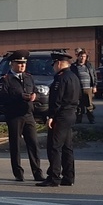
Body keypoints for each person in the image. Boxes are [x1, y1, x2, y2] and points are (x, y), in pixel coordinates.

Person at [0, 50, 44, 182]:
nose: (22, 66)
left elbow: (34, 91)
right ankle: (18, 172)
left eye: (24, 63)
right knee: (16, 145)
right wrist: (19, 96)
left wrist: (35, 96)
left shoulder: (28, 77)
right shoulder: (5, 79)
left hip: (28, 114)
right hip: (14, 115)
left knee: (33, 144)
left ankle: (37, 172)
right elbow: (2, 98)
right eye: (19, 63)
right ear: (12, 64)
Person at [37, 52, 81, 187]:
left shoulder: (60, 78)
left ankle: (54, 177)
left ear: (59, 64)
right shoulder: (73, 76)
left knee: (54, 146)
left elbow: (57, 100)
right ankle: (68, 176)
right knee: (67, 147)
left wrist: (51, 116)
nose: (54, 67)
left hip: (61, 115)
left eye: (54, 64)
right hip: (71, 114)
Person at [70, 50, 96, 124]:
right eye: (81, 56)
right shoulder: (74, 67)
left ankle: (91, 119)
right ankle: (78, 119)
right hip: (78, 88)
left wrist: (94, 86)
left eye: (84, 56)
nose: (82, 58)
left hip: (88, 88)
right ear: (78, 57)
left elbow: (94, 76)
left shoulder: (89, 66)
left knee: (89, 105)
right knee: (79, 105)